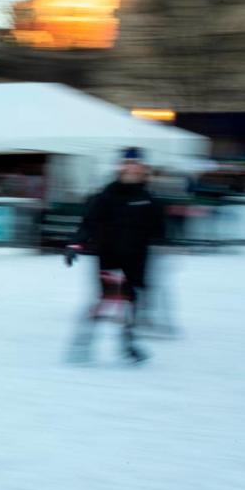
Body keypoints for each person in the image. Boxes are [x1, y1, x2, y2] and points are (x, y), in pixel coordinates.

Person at [64, 147, 165, 364]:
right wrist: (75, 244)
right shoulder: (106, 196)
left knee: (132, 302)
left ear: (143, 169)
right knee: (105, 300)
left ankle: (128, 346)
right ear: (120, 167)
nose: (131, 168)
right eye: (127, 163)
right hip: (110, 257)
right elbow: (88, 224)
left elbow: (160, 231)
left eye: (135, 164)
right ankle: (82, 343)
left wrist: (167, 244)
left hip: (137, 260)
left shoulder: (149, 198)